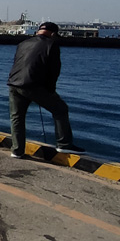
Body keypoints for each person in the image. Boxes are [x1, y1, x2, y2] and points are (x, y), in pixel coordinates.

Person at [7, 22, 85, 158]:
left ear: (38, 31)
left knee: (17, 118)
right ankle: (64, 144)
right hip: (33, 85)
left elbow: (18, 62)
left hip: (14, 83)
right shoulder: (51, 44)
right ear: (53, 34)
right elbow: (54, 71)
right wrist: (50, 89)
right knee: (60, 109)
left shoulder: (23, 43)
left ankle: (17, 151)